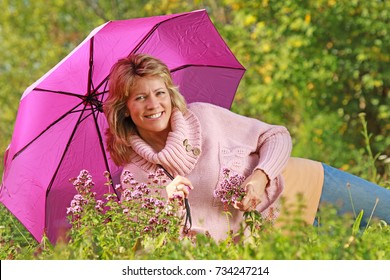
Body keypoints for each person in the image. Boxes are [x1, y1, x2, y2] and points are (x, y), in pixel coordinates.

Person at [103, 53, 390, 241]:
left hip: (310, 185)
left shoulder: (203, 117)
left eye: (159, 93)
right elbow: (150, 249)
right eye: (140, 98)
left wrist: (259, 177)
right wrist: (166, 206)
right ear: (125, 108)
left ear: (169, 94)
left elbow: (276, 135)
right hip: (279, 240)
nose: (153, 105)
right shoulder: (135, 178)